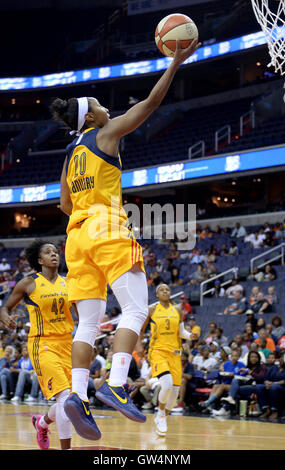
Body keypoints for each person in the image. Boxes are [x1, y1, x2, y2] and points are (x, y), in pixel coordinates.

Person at [51, 38, 200, 440]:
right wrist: (175, 63)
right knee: (136, 309)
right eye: (100, 106)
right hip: (107, 228)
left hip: (76, 236)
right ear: (90, 116)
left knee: (87, 322)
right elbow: (150, 104)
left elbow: (64, 203)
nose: (107, 109)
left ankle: (78, 396)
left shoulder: (69, 152)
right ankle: (116, 384)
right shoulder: (105, 133)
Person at [0, 240, 74, 450]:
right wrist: (6, 318)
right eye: (48, 252)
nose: (54, 254)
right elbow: (4, 307)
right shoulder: (29, 283)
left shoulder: (69, 282)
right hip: (43, 344)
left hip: (68, 344)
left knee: (70, 399)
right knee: (65, 398)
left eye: (56, 251)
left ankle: (42, 422)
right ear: (39, 260)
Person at [139, 283, 192, 436]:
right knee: (167, 384)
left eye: (168, 289)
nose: (165, 291)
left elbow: (182, 332)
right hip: (158, 351)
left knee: (174, 393)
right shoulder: (152, 309)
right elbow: (141, 330)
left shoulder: (177, 309)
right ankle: (160, 413)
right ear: (157, 294)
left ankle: (162, 416)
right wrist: (139, 346)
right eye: (162, 289)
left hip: (175, 354)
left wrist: (190, 336)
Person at [199, 350, 245, 415]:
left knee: (222, 386)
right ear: (230, 357)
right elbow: (222, 375)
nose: (234, 357)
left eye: (236, 356)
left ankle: (208, 402)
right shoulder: (227, 364)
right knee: (215, 386)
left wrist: (234, 375)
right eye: (233, 356)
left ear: (239, 357)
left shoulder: (241, 365)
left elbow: (242, 376)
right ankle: (209, 406)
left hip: (235, 385)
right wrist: (221, 372)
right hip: (226, 383)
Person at [256, 352, 285, 421]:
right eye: (282, 358)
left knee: (273, 387)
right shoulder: (273, 367)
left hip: (282, 388)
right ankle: (267, 409)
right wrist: (267, 383)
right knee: (259, 387)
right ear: (279, 359)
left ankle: (274, 410)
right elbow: (265, 378)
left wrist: (274, 383)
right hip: (271, 386)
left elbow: (284, 381)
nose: (282, 360)